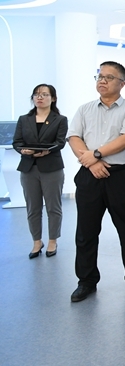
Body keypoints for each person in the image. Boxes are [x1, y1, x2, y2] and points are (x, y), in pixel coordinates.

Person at [67, 61, 125, 302]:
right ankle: (86, 281)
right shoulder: (84, 109)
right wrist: (92, 162)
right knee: (86, 231)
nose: (102, 81)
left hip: (119, 176)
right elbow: (74, 137)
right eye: (100, 76)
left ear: (122, 83)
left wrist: (96, 154)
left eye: (109, 77)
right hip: (89, 175)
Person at [13, 84, 68, 259]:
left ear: (53, 98)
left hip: (51, 168)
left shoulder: (60, 119)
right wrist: (22, 150)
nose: (40, 97)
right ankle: (37, 241)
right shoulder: (24, 119)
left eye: (44, 94)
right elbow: (17, 142)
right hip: (28, 168)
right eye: (36, 94)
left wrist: (46, 151)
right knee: (33, 208)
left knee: (53, 207)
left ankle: (52, 240)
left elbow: (60, 142)